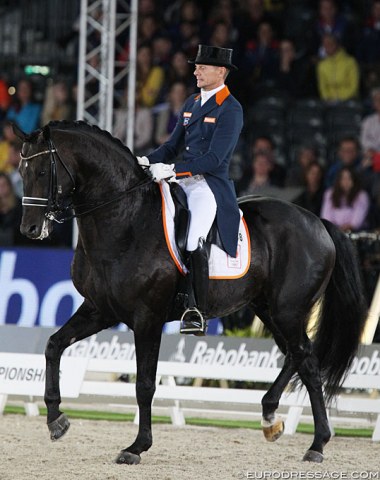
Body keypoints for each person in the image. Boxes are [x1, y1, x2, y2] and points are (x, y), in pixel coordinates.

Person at [138, 45, 243, 335]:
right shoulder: (192, 102)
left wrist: (172, 170)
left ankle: (195, 308)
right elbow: (172, 146)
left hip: (208, 185)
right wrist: (146, 160)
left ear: (220, 72)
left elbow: (214, 159)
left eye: (202, 67)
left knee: (193, 238)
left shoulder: (230, 108)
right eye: (196, 66)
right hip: (182, 179)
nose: (196, 70)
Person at [320, 166, 370, 232]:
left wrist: (343, 229)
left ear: (354, 180)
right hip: (333, 232)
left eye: (349, 178)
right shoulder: (330, 193)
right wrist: (334, 230)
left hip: (355, 232)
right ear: (339, 180)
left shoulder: (362, 196)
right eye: (343, 178)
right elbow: (325, 217)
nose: (346, 181)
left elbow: (356, 222)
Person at [316, 33, 360, 103]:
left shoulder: (350, 62)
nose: (327, 47)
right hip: (329, 103)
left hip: (348, 101)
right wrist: (328, 99)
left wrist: (340, 100)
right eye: (325, 45)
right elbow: (322, 87)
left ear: (336, 44)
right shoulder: (322, 65)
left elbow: (354, 87)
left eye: (330, 44)